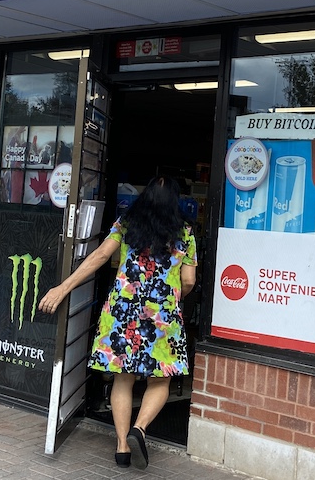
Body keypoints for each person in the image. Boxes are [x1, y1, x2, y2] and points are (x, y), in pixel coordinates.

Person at [38, 176, 196, 470]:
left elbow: (99, 256)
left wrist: (62, 288)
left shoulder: (126, 223)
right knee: (161, 378)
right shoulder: (184, 233)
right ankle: (141, 428)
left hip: (122, 308)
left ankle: (122, 445)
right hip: (162, 313)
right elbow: (188, 280)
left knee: (123, 376)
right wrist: (173, 296)